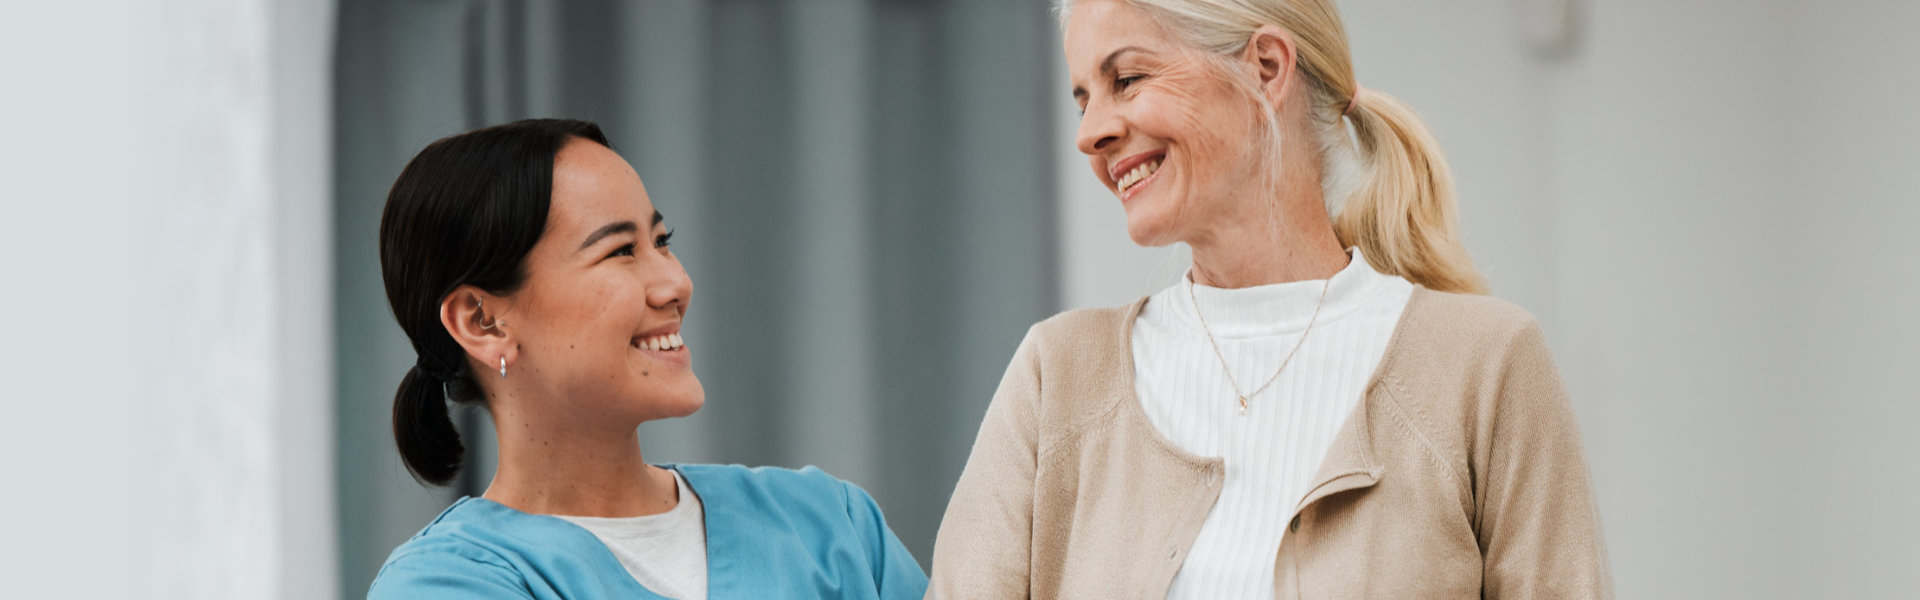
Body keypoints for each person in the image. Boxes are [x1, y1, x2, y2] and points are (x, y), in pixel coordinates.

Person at [928, 1, 1611, 598]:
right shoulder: (1057, 379)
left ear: (1265, 67)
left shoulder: (1484, 365)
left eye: (1126, 80)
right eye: (1083, 98)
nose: (1091, 133)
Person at [365, 119, 927, 599]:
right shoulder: (447, 582)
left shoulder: (830, 523)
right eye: (621, 251)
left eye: (661, 241)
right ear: (482, 322)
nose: (676, 283)